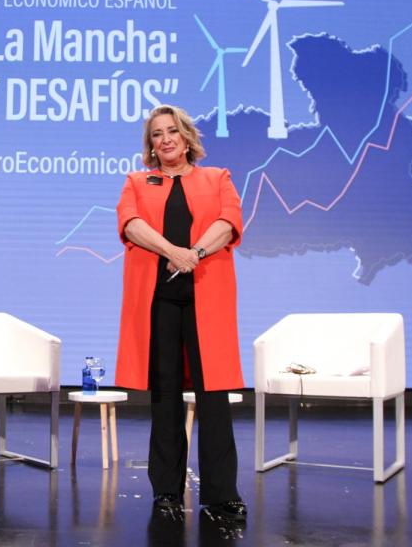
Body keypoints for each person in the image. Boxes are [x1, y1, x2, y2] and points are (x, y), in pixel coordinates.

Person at [115, 104, 246, 524]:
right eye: (157, 134)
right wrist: (173, 252)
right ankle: (166, 493)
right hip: (158, 300)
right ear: (150, 145)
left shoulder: (217, 177)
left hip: (207, 297)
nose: (166, 139)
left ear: (187, 136)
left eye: (172, 131)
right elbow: (131, 224)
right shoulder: (137, 181)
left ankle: (223, 494)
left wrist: (195, 254)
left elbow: (228, 222)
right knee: (166, 397)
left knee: (214, 398)